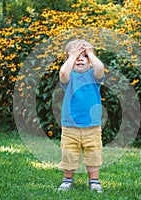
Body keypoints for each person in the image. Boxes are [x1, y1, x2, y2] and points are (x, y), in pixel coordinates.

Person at [57, 39, 105, 192]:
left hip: (92, 126)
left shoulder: (94, 75)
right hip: (70, 125)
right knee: (69, 153)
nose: (79, 59)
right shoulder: (69, 77)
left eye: (83, 56)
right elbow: (63, 72)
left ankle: (94, 181)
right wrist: (72, 56)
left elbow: (100, 67)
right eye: (76, 56)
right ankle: (67, 179)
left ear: (90, 61)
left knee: (93, 153)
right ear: (69, 60)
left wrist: (90, 53)